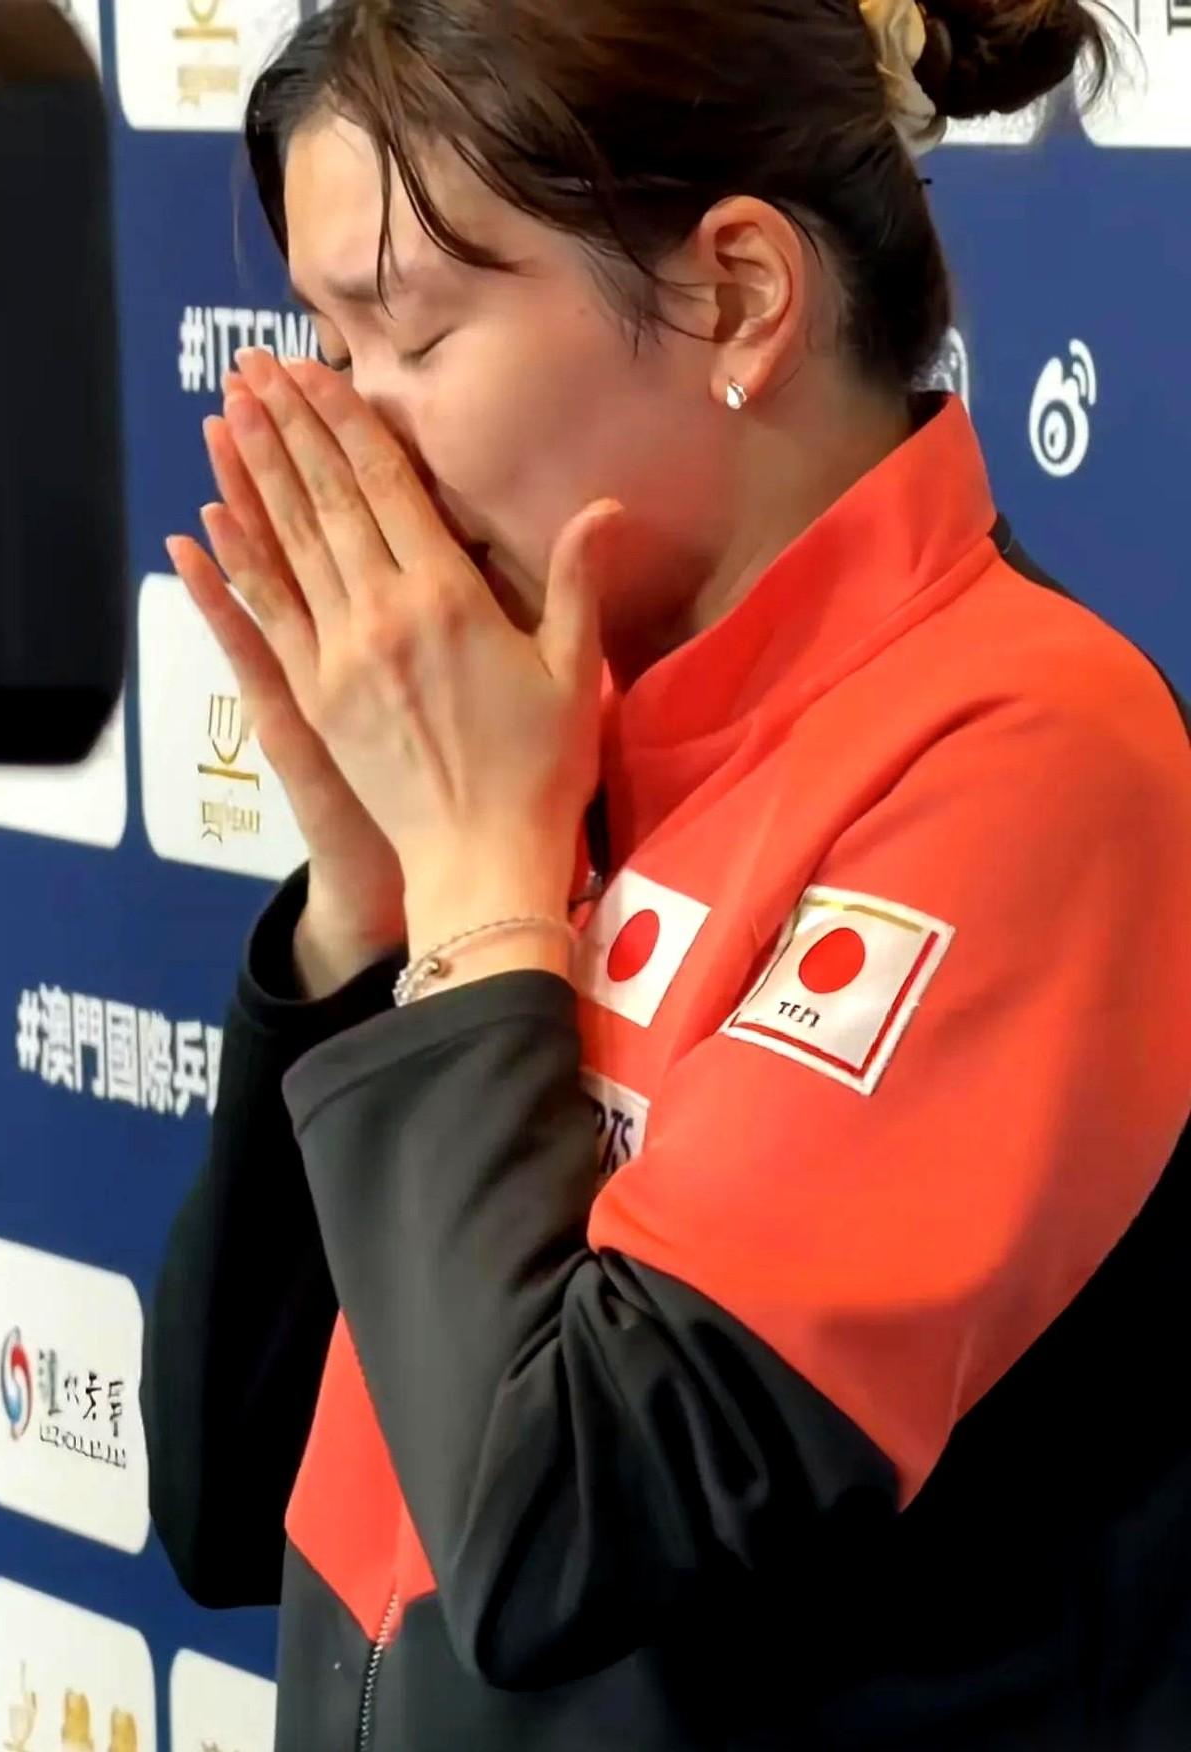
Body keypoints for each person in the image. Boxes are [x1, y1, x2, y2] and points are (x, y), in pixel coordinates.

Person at [140, 1, 1191, 1748]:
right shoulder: (553, 731)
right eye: (326, 343)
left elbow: (553, 1542)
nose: (351, 432)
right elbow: (223, 1492)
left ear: (738, 298)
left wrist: (480, 895)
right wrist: (365, 910)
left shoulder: (1026, 754)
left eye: (414, 336)